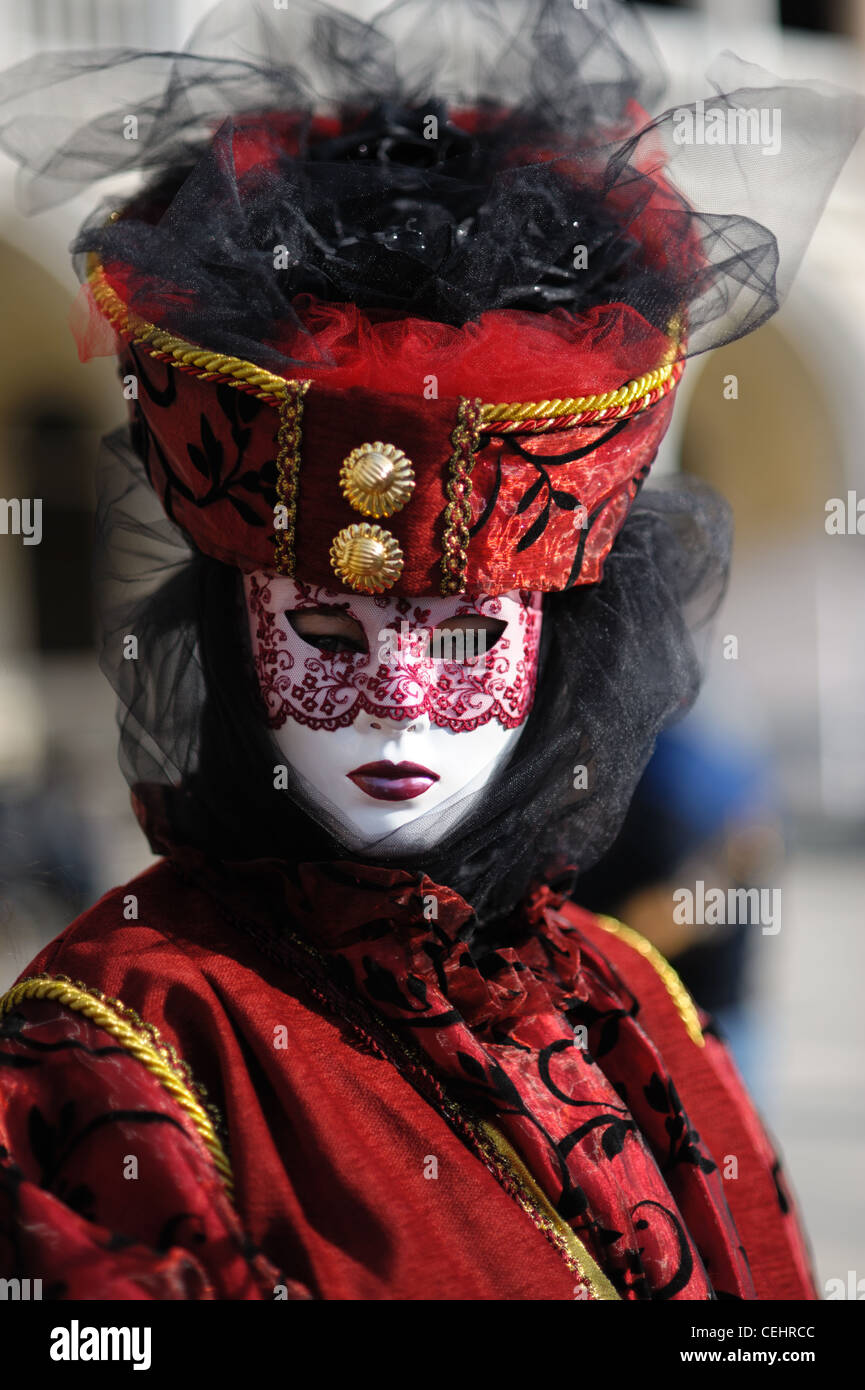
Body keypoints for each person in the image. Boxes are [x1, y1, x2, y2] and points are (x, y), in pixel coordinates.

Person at [0, 0, 860, 1301]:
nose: (398, 704)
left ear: (558, 644)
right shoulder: (118, 1045)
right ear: (234, 637)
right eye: (329, 630)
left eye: (463, 634)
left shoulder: (627, 1001)